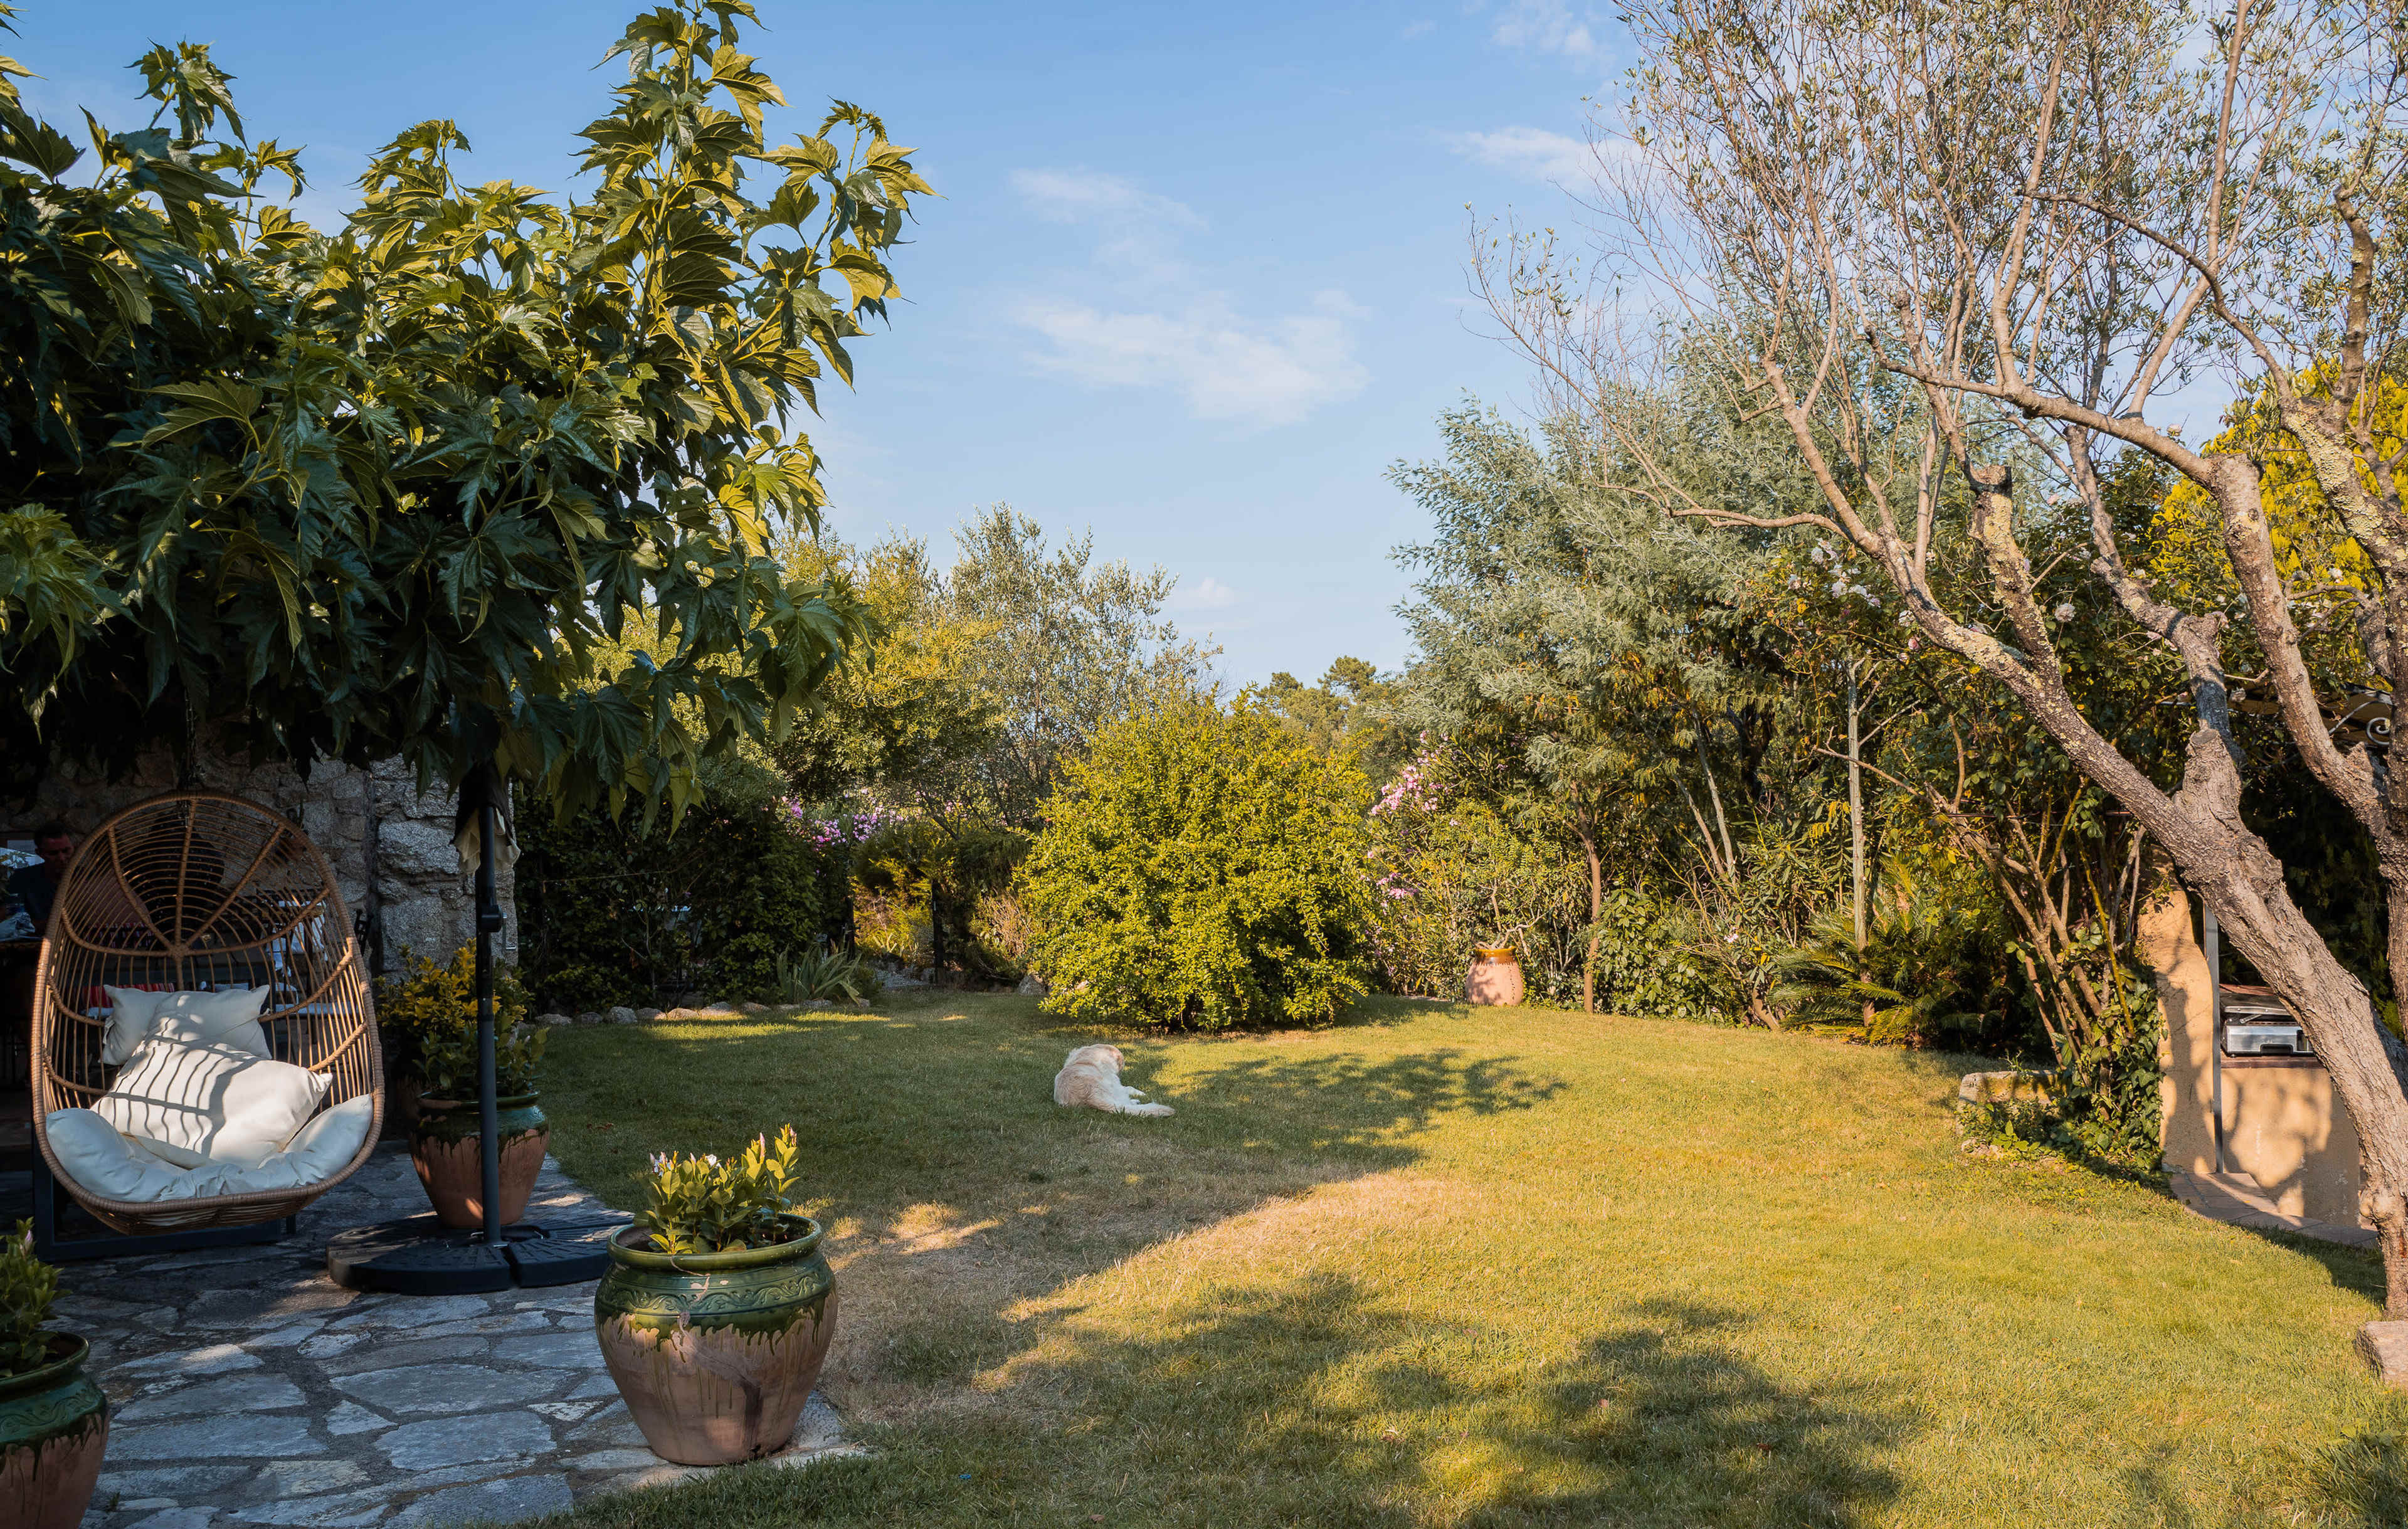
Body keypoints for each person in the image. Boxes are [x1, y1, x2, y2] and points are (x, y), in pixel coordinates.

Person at [7, 822, 73, 934]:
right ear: (40, 853)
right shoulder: (21, 879)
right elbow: (11, 922)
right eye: (53, 853)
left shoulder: (88, 878)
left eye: (66, 851)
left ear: (75, 847)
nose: (61, 858)